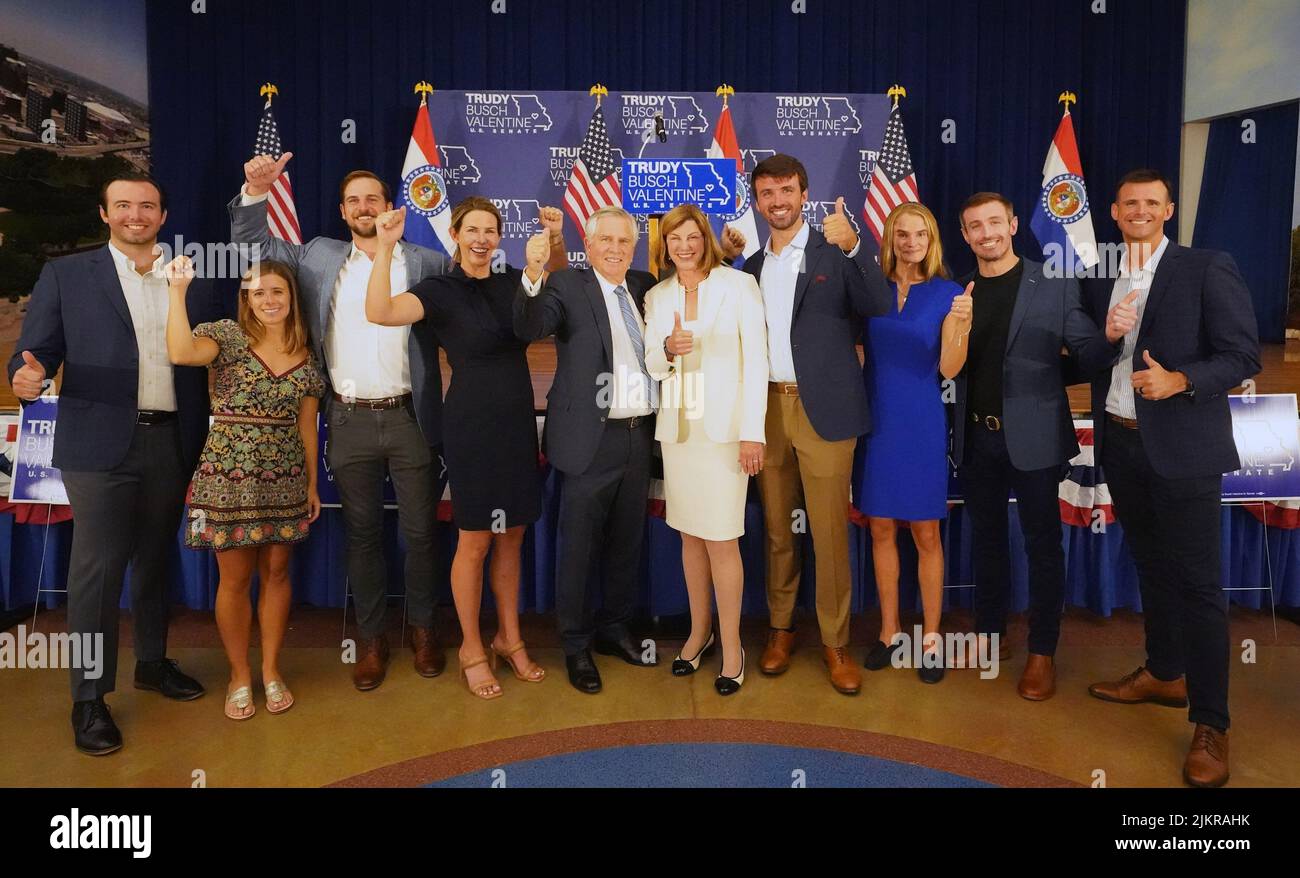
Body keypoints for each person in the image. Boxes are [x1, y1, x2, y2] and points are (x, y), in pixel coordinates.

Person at [7, 172, 223, 754]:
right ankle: (89, 699)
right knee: (96, 573)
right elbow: (36, 353)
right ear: (104, 214)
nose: (136, 214)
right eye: (123, 205)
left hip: (171, 441)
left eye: (147, 205)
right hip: (98, 447)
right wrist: (25, 378)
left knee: (155, 560)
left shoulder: (189, 279)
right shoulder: (68, 274)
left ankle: (151, 663)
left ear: (163, 215)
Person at [230, 156, 460, 690]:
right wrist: (253, 192)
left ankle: (425, 630)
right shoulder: (316, 256)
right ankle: (373, 637)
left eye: (372, 199)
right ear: (342, 211)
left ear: (389, 206)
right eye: (354, 200)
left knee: (422, 534)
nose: (364, 207)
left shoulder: (426, 262)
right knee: (361, 536)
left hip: (411, 418)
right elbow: (254, 251)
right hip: (348, 420)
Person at [1082, 169, 1259, 787]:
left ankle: (1212, 723)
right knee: (1152, 568)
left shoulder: (1206, 266)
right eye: (1129, 202)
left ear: (1169, 208)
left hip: (1185, 447)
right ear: (1113, 209)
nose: (1140, 210)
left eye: (1151, 202)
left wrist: (1180, 381)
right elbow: (1089, 355)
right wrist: (1103, 340)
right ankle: (1163, 671)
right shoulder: (1101, 272)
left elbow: (1242, 356)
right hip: (1122, 445)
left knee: (1200, 587)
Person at [364, 197, 565, 700]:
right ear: (456, 235)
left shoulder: (513, 281)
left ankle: (509, 637)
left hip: (517, 424)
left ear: (500, 238)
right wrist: (386, 248)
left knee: (512, 535)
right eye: (472, 230)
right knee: (475, 539)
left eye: (490, 231)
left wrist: (553, 246)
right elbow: (380, 311)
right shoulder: (438, 290)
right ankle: (472, 648)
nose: (481, 239)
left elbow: (554, 297)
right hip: (470, 427)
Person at [952, 192, 1120, 700]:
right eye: (975, 226)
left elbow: (1086, 350)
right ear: (965, 235)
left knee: (1042, 545)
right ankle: (989, 635)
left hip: (1036, 439)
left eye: (994, 223)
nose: (986, 233)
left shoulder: (1052, 281)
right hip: (976, 438)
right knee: (986, 542)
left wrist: (1109, 339)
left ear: (1013, 223)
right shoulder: (959, 291)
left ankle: (1043, 651)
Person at [739, 154, 892, 695]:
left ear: (804, 194)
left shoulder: (837, 249)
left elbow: (880, 303)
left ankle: (835, 641)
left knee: (827, 532)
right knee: (779, 530)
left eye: (787, 190)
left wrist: (855, 245)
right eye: (767, 193)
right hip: (767, 413)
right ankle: (781, 630)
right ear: (756, 202)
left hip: (826, 410)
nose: (777, 201)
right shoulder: (750, 267)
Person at [165, 258, 324, 719]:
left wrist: (312, 483)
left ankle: (271, 670)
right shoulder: (228, 337)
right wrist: (178, 292)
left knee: (276, 574)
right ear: (246, 300)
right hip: (228, 477)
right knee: (234, 580)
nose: (269, 301)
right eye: (258, 293)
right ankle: (239, 674)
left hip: (287, 479)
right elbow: (181, 353)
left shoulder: (307, 353)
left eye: (277, 292)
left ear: (291, 297)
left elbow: (308, 428)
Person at [513, 206, 660, 694]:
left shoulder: (644, 286)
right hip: (586, 441)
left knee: (626, 542)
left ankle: (614, 629)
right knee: (578, 549)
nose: (616, 249)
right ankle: (575, 645)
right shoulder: (567, 286)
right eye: (607, 241)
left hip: (638, 436)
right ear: (589, 244)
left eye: (624, 241)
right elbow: (531, 325)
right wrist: (533, 273)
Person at [642, 205, 768, 695]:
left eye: (693, 236)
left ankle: (733, 646)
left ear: (706, 239)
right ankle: (699, 632)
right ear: (665, 245)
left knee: (722, 539)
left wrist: (752, 431)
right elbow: (653, 364)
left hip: (726, 435)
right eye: (676, 239)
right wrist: (668, 350)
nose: (685, 246)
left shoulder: (738, 286)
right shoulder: (657, 295)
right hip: (680, 434)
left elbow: (756, 362)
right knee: (689, 537)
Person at [855, 203, 969, 684]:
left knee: (925, 533)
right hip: (875, 422)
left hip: (921, 424)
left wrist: (961, 323)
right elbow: (857, 354)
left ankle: (930, 639)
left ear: (932, 239)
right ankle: (888, 632)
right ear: (890, 238)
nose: (909, 242)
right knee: (881, 528)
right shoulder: (870, 288)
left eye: (919, 233)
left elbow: (949, 368)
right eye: (901, 233)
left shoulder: (948, 293)